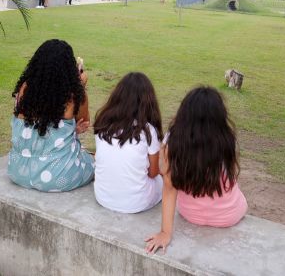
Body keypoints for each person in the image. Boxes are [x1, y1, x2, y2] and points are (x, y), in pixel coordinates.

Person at [144, 86, 247, 253]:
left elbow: (169, 186)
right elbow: (231, 175)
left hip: (190, 214)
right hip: (230, 215)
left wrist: (165, 233)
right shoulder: (229, 140)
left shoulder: (174, 141)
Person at [8, 39, 94, 192]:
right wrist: (80, 86)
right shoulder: (73, 96)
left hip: (17, 171)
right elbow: (85, 121)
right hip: (59, 176)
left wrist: (71, 131)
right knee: (93, 159)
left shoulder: (24, 89)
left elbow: (39, 130)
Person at [93, 72, 164, 213]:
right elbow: (154, 172)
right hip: (137, 203)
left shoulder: (103, 122)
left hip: (102, 196)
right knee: (163, 180)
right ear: (148, 101)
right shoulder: (148, 130)